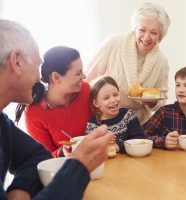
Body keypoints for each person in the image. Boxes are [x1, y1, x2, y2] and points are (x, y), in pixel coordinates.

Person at [0, 19, 113, 200]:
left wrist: (20, 191)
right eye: (37, 66)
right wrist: (79, 164)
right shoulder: (34, 112)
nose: (39, 77)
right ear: (16, 62)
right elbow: (47, 160)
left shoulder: (2, 123)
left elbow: (36, 156)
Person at [86, 2, 171, 124]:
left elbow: (161, 97)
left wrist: (151, 101)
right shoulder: (114, 43)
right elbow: (89, 80)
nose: (146, 37)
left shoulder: (162, 60)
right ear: (135, 28)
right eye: (142, 30)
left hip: (138, 123)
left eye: (153, 32)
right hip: (105, 121)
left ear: (160, 35)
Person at [17, 46, 93, 158]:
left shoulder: (85, 90)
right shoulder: (35, 113)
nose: (84, 76)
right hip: (67, 168)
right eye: (78, 73)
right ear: (56, 77)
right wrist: (62, 152)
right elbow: (44, 157)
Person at [86, 76, 146, 154]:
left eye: (115, 95)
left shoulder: (128, 115)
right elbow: (90, 148)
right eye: (106, 98)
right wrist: (103, 142)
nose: (113, 100)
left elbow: (140, 139)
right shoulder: (93, 124)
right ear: (96, 103)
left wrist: (118, 147)